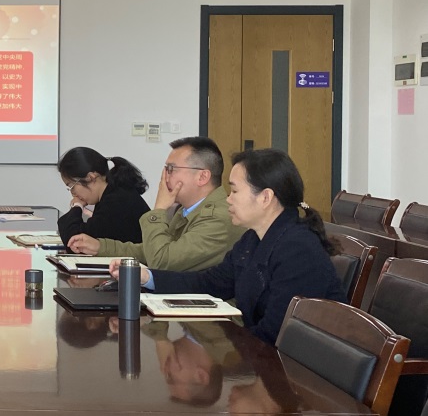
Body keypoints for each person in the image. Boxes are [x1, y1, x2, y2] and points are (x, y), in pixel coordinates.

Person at [110, 148, 344, 344]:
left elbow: (276, 334)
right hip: (263, 358)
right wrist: (147, 277)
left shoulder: (298, 249)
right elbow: (210, 283)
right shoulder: (253, 239)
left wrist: (226, 353)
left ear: (265, 197)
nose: (228, 199)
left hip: (295, 374)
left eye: (234, 191)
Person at [68, 137, 245, 271]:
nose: (164, 176)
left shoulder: (218, 218)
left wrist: (159, 209)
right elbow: (150, 251)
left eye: (171, 169)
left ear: (202, 177)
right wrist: (100, 247)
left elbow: (162, 261)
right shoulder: (187, 210)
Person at [56, 147, 150, 247]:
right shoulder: (114, 193)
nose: (73, 194)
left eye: (72, 187)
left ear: (91, 177)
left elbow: (75, 242)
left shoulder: (115, 202)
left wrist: (77, 206)